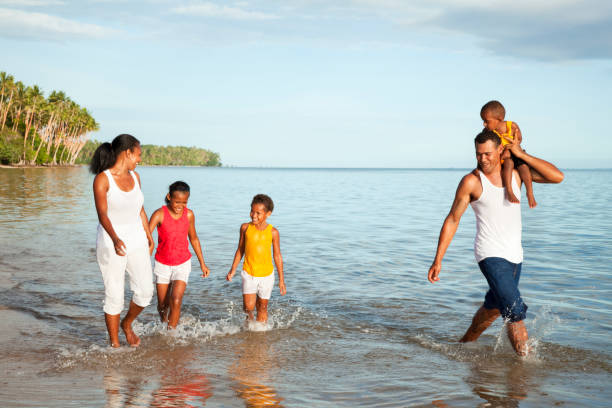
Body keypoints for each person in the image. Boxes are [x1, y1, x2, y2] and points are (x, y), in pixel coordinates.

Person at [427, 129, 563, 355]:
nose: (483, 159)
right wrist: (438, 259)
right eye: (478, 154)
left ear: (500, 150)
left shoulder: (517, 174)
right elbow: (453, 219)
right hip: (489, 254)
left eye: (488, 154)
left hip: (515, 255)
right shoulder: (472, 181)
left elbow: (557, 177)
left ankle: (462, 347)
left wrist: (522, 154)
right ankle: (524, 370)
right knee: (513, 309)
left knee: (493, 308)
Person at [91, 134, 155, 347]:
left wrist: (148, 234)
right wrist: (115, 238)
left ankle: (127, 324)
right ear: (128, 152)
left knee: (145, 291)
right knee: (114, 293)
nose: (139, 159)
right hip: (111, 240)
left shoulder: (136, 177)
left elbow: (140, 209)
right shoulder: (103, 179)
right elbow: (102, 215)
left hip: (136, 238)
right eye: (138, 154)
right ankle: (115, 345)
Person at [148, 181, 210, 329]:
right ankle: (165, 324)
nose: (180, 206)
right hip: (162, 264)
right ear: (169, 197)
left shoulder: (189, 215)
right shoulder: (159, 214)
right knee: (162, 304)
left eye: (184, 202)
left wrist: (202, 263)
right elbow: (146, 239)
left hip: (182, 263)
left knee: (176, 300)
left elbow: (193, 238)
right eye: (177, 202)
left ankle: (172, 333)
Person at [226, 194, 286, 323]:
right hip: (249, 273)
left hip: (267, 275)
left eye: (258, 213)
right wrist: (232, 270)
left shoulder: (273, 232)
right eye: (252, 211)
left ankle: (260, 334)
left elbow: (277, 256)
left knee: (262, 307)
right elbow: (240, 250)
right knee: (248, 308)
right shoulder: (245, 228)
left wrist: (281, 280)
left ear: (268, 214)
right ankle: (250, 329)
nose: (253, 215)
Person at [480, 100, 537, 208]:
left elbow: (519, 138)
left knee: (524, 167)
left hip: (516, 152)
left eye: (486, 121)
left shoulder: (511, 126)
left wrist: (514, 146)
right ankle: (509, 191)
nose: (484, 124)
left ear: (499, 119)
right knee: (508, 164)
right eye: (483, 121)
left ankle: (530, 193)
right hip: (505, 158)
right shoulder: (489, 132)